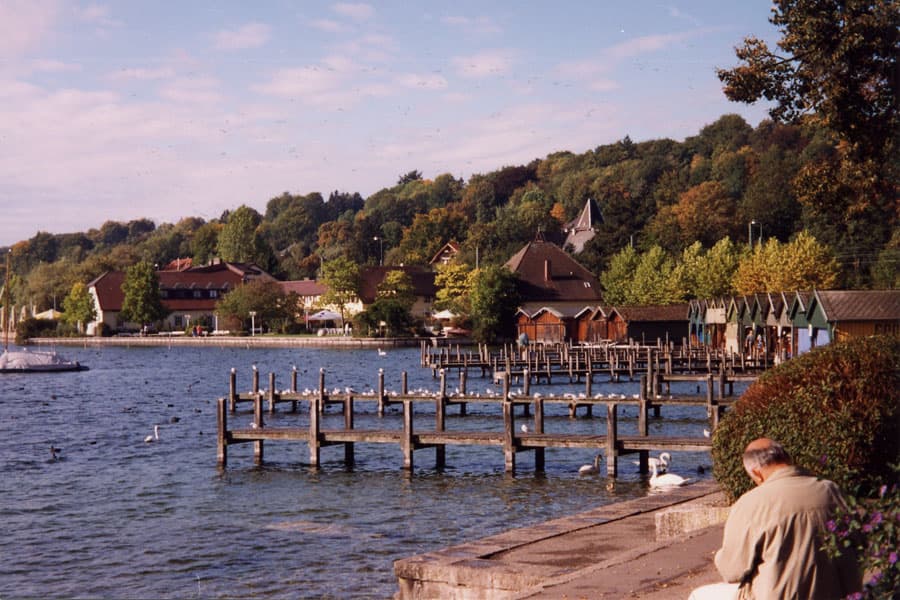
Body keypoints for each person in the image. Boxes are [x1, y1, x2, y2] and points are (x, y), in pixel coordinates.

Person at [689, 438, 861, 600]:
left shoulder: (752, 502)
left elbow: (732, 572)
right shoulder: (831, 490)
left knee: (699, 595)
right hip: (837, 594)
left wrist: (720, 556)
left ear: (757, 473)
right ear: (788, 459)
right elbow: (860, 542)